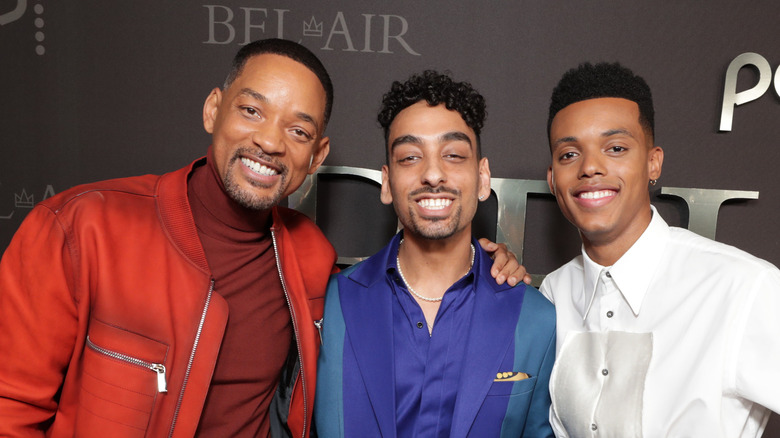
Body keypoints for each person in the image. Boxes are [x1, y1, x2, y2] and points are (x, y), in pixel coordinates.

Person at [0, 39, 524, 437]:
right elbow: (10, 407)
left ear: (316, 157)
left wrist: (491, 265)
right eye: (252, 110)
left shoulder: (310, 258)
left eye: (297, 131)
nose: (270, 141)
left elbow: (413, 280)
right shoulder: (80, 228)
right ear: (213, 110)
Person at [541, 62, 780, 437]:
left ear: (653, 163)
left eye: (615, 147)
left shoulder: (742, 287)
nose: (590, 167)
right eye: (569, 154)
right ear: (553, 178)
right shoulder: (553, 294)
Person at [315, 70, 556, 437]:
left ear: (483, 177)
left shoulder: (537, 319)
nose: (432, 173)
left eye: (454, 155)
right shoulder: (327, 305)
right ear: (386, 182)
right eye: (410, 157)